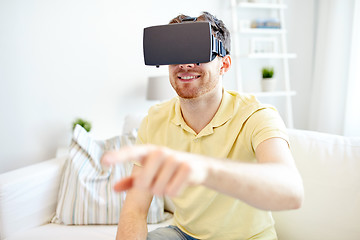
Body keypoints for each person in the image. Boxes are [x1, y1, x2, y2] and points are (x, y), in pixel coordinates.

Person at [101, 11, 304, 240]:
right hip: (183, 234)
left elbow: (292, 192)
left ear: (224, 64)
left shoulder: (257, 116)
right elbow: (134, 211)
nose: (185, 64)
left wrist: (206, 170)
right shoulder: (154, 120)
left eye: (198, 51)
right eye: (177, 52)